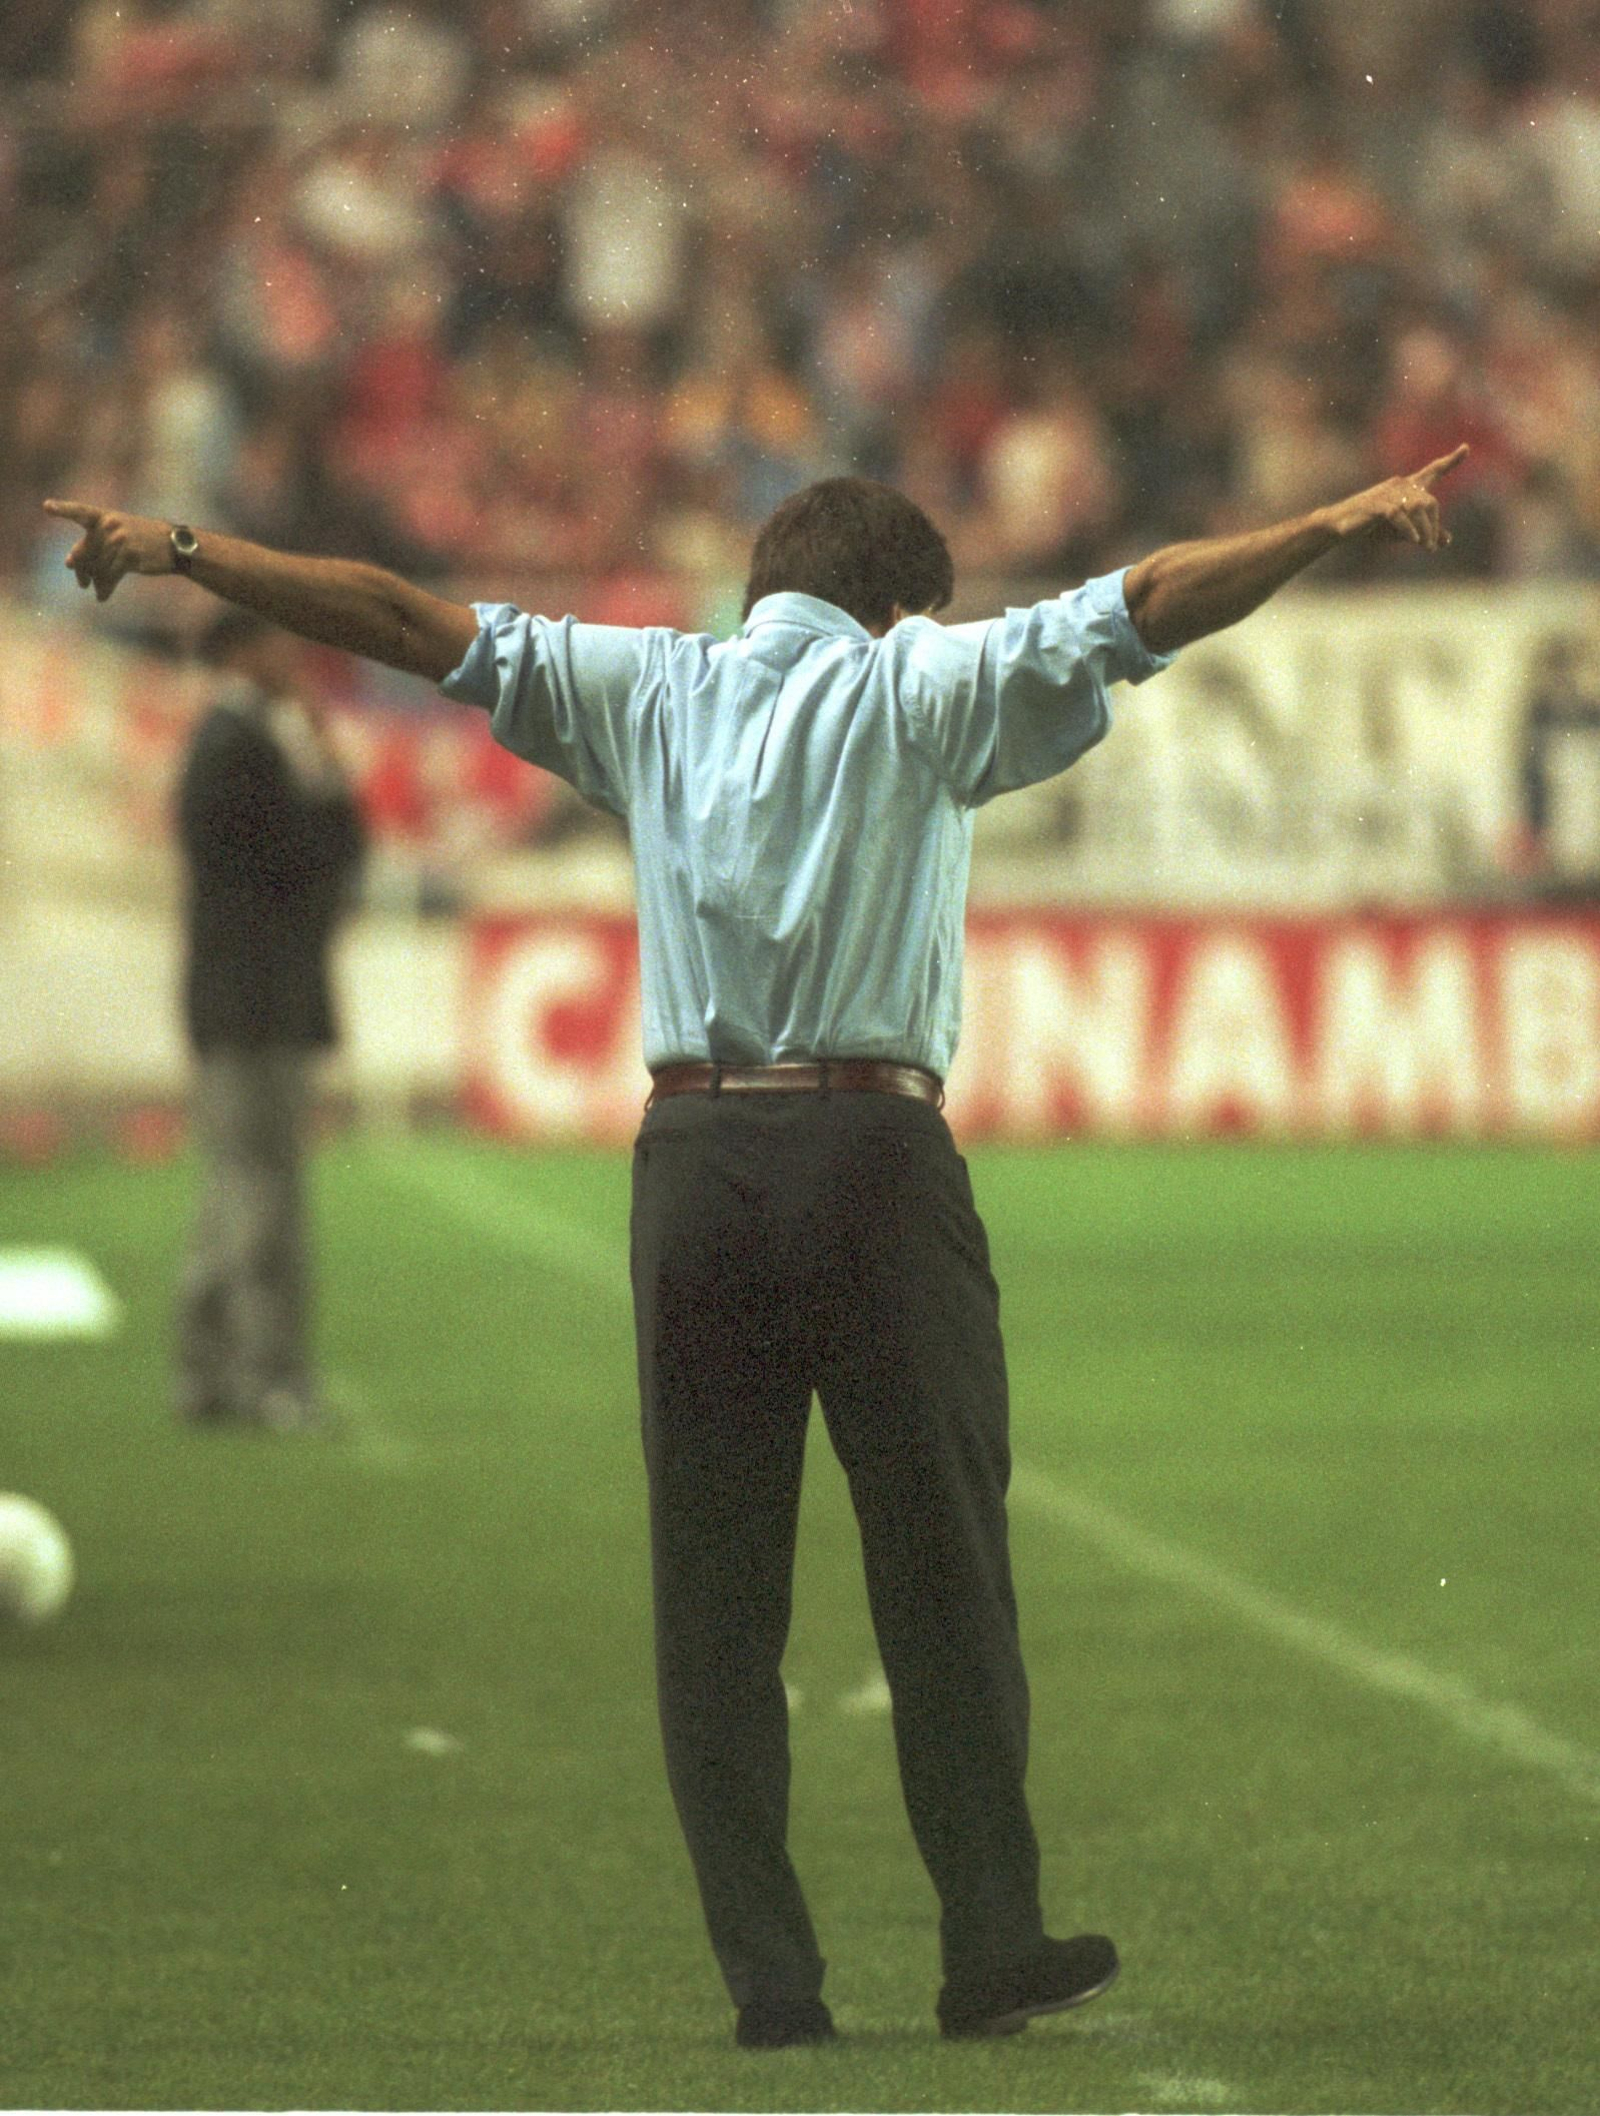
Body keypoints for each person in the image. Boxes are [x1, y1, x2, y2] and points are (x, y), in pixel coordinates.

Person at [43, 444, 1464, 2044]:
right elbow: (1142, 605)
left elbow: (393, 614)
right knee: (941, 1565)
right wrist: (1326, 525)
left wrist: (182, 547)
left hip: (696, 1159)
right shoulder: (920, 680)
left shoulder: (648, 688)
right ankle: (990, 1941)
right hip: (871, 1150)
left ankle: (770, 1985)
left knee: (717, 1597)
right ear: (894, 599)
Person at [173, 605, 366, 1432]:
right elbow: (316, 854)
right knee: (264, 1196)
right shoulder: (241, 746)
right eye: (280, 640)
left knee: (236, 1190)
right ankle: (266, 1377)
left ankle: (208, 1370)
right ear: (246, 652)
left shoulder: (222, 742)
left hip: (237, 1000)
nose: (295, 654)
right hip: (260, 1002)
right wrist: (324, 764)